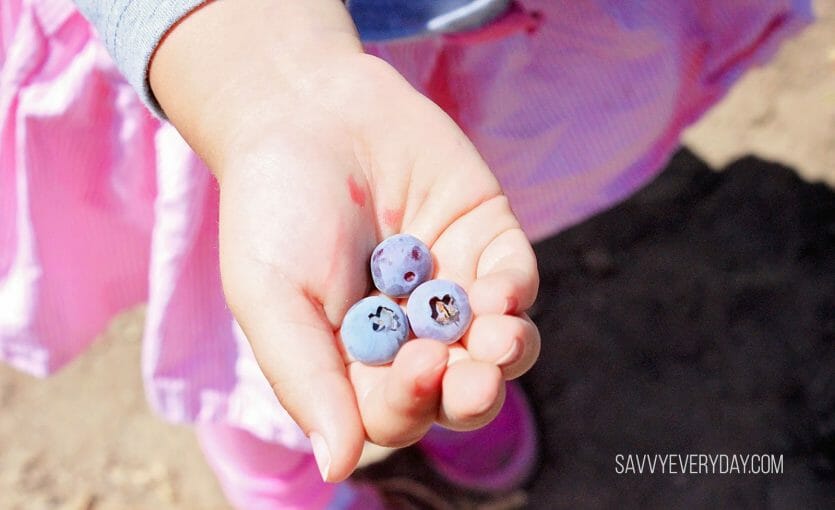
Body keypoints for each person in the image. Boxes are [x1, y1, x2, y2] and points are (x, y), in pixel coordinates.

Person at [0, 0, 812, 508]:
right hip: (232, 61)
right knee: (262, 339)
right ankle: (283, 484)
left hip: (517, 34)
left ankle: (423, 393)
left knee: (491, 208)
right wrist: (264, 76)